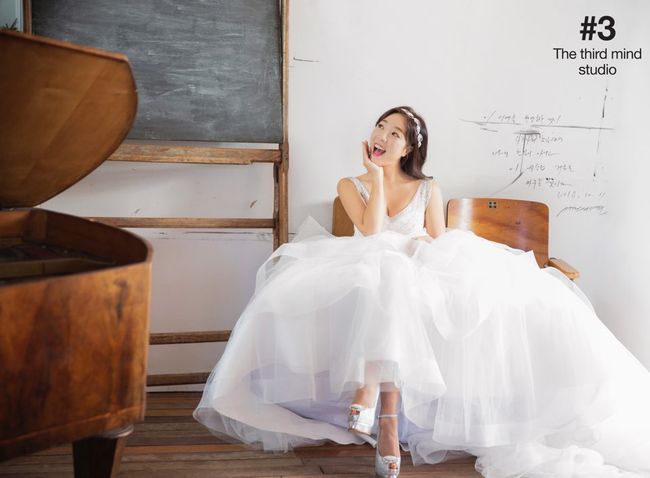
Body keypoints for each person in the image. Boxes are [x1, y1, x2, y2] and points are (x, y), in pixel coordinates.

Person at [195, 106, 650, 478]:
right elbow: (372, 232)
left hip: (412, 265)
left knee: (401, 279)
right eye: (380, 127)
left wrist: (422, 256)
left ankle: (372, 399)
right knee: (387, 276)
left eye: (394, 133)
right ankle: (387, 424)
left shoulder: (428, 188)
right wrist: (376, 177)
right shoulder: (349, 184)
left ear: (410, 147)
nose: (382, 136)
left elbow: (438, 240)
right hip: (363, 265)